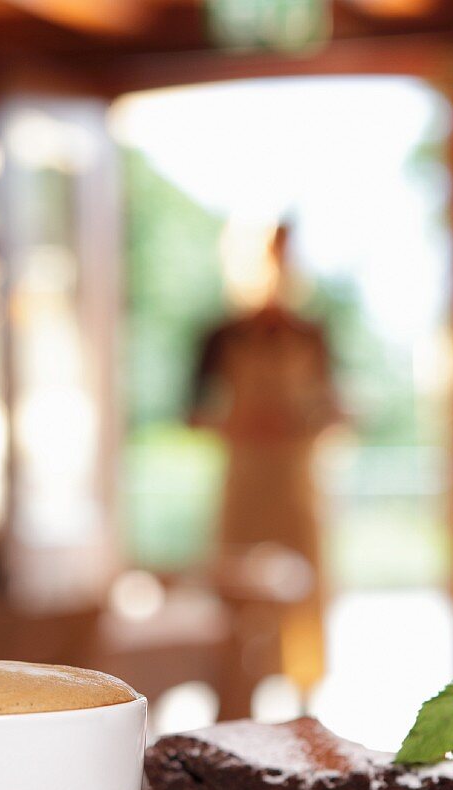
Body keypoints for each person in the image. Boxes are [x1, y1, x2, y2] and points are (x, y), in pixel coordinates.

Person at [189, 223, 341, 704]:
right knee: (239, 606)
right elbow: (193, 414)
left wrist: (300, 425)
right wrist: (245, 426)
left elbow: (333, 409)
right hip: (244, 491)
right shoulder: (219, 336)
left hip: (297, 491)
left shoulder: (312, 335)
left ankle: (306, 711)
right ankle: (236, 703)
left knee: (304, 605)